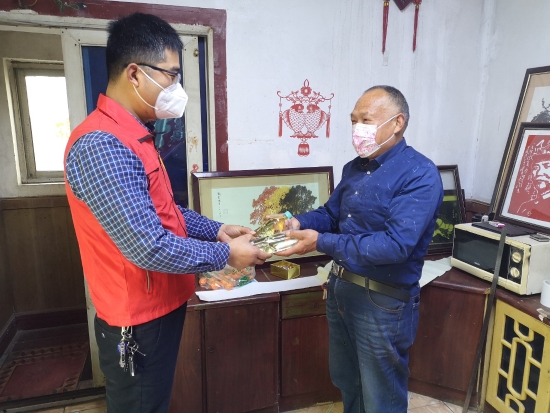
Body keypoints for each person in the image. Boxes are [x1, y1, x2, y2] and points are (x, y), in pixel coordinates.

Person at [64, 13, 270, 413]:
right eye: (171, 75)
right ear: (135, 74)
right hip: (137, 320)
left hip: (158, 306)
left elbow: (164, 211)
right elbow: (148, 246)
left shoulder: (134, 135)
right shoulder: (103, 145)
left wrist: (216, 230)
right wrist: (226, 255)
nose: (177, 88)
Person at [276, 86, 443, 413]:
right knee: (347, 380)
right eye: (353, 121)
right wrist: (297, 222)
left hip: (382, 301)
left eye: (366, 120)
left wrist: (319, 242)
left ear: (397, 123)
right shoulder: (354, 168)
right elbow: (330, 215)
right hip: (342, 289)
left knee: (381, 393)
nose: (357, 129)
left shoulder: (419, 174)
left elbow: (395, 245)